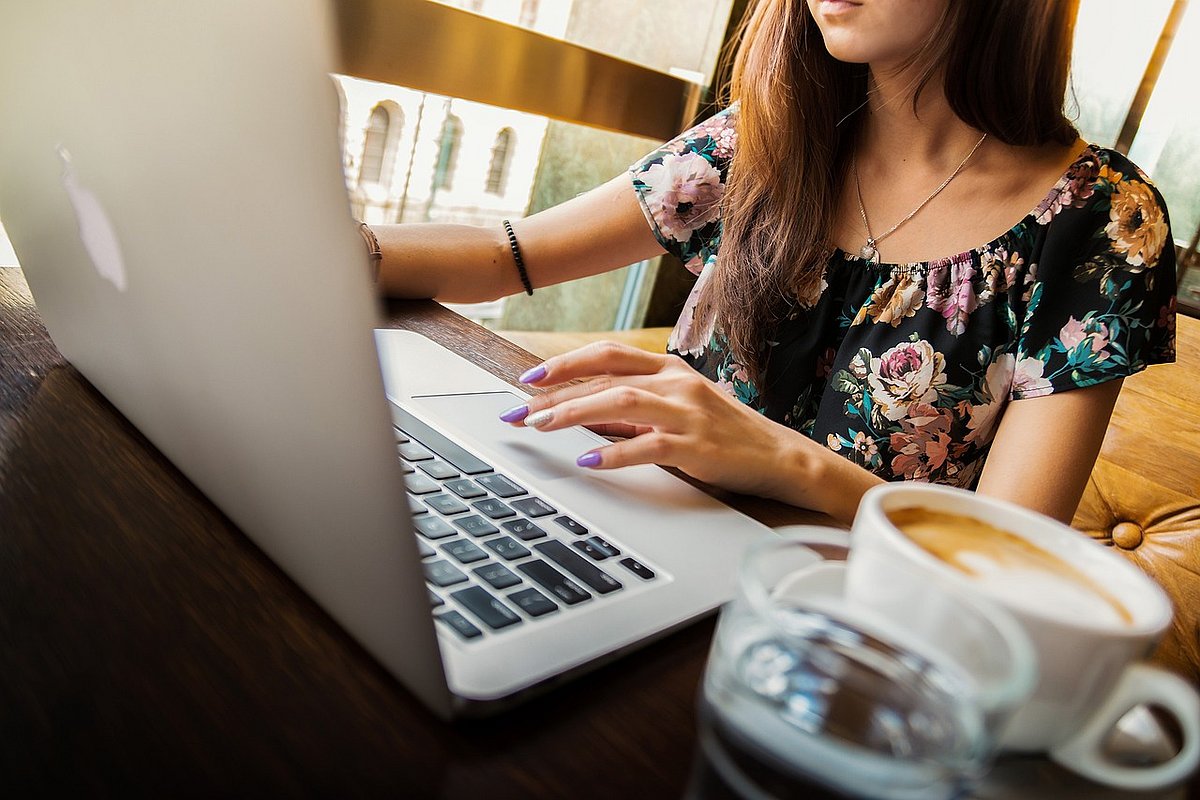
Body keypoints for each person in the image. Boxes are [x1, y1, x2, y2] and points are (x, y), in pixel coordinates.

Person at [368, 0, 1177, 526]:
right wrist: (332, 247)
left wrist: (782, 460)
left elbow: (1009, 553)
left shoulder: (1101, 219)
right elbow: (513, 255)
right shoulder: (771, 133)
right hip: (640, 532)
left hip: (846, 633)